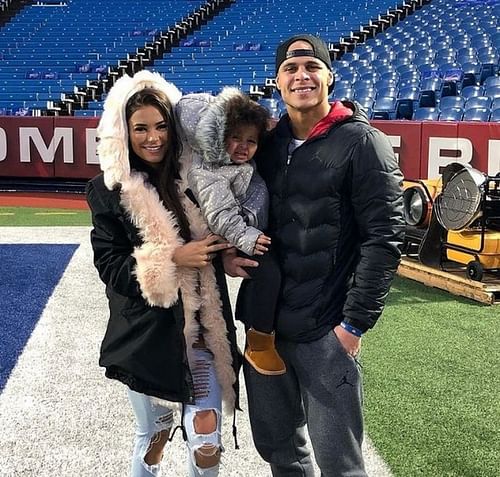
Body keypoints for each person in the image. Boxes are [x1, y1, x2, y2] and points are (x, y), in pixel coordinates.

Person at [224, 34, 405, 476]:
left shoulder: (363, 143)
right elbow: (227, 206)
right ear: (277, 82)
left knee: (339, 463)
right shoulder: (263, 143)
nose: (301, 75)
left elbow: (384, 238)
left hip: (326, 328)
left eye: (311, 67)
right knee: (279, 450)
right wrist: (224, 255)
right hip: (264, 325)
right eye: (291, 69)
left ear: (330, 77)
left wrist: (353, 325)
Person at [86, 70, 241, 477]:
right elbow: (111, 266)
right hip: (148, 336)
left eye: (160, 126)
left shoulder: (196, 179)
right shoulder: (107, 190)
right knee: (153, 438)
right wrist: (173, 259)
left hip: (204, 331)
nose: (153, 137)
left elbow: (222, 231)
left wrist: (226, 255)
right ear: (124, 132)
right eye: (140, 128)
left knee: (207, 442)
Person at [175, 87, 285, 376]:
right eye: (235, 138)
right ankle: (259, 340)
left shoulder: (241, 165)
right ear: (219, 138)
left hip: (249, 231)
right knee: (268, 273)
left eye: (251, 141)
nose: (242, 146)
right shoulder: (209, 171)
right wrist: (245, 237)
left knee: (271, 274)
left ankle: (252, 323)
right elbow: (219, 214)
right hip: (239, 236)